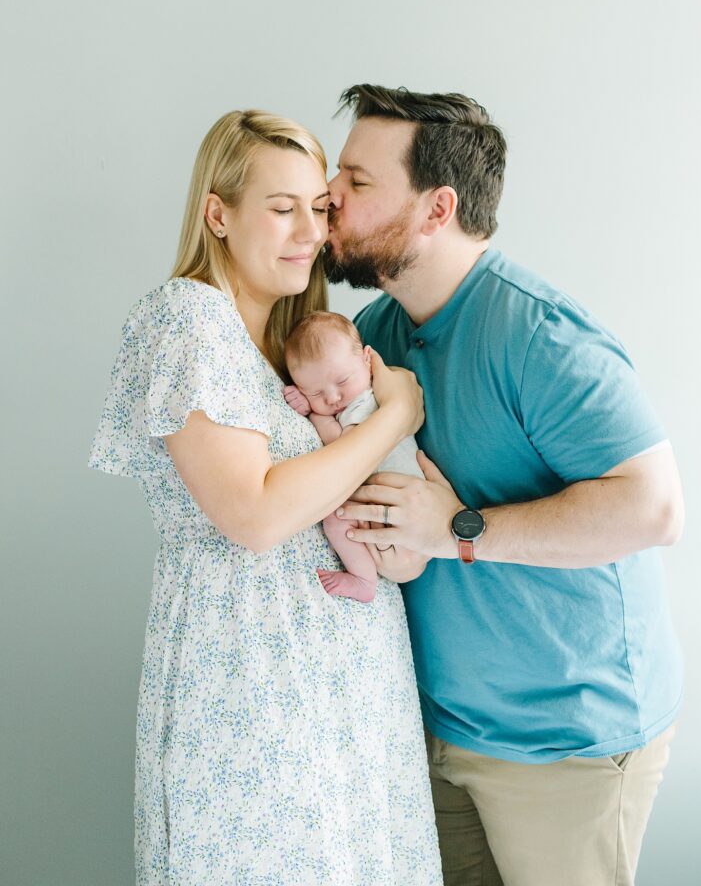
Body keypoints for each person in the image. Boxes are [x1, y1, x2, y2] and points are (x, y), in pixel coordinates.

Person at [323, 84, 684, 886]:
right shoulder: (372, 338)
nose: (328, 196)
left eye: (356, 180)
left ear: (436, 209)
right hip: (438, 728)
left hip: (566, 744)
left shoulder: (539, 335)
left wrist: (456, 529)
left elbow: (653, 507)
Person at [89, 109, 443, 886]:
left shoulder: (291, 346)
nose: (310, 231)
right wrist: (393, 417)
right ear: (218, 213)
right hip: (250, 673)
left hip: (343, 680)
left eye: (317, 208)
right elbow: (254, 516)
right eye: (282, 208)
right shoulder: (188, 320)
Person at [283, 310, 423, 602]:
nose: (333, 398)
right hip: (396, 510)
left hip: (402, 512)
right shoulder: (353, 400)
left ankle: (363, 580)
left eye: (342, 381)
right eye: (315, 393)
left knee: (335, 520)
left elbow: (344, 448)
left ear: (367, 359)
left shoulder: (366, 402)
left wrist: (314, 414)